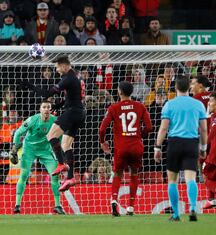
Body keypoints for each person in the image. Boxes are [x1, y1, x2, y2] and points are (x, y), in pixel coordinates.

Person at [20, 55, 86, 192]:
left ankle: (61, 164)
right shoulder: (76, 77)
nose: (56, 70)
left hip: (72, 112)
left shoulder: (67, 78)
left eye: (56, 67)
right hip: (79, 113)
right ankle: (70, 177)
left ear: (63, 65)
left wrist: (29, 85)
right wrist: (59, 105)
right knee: (65, 145)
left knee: (50, 136)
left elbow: (46, 93)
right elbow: (74, 97)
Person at [154, 77, 207, 222]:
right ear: (189, 87)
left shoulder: (169, 105)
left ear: (176, 88)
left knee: (172, 180)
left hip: (175, 143)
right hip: (191, 143)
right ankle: (192, 208)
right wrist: (203, 147)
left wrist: (157, 147)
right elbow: (203, 129)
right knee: (191, 178)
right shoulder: (198, 105)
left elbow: (163, 128)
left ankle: (176, 214)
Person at [99, 81, 152, 216]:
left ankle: (114, 200)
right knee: (134, 173)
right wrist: (140, 136)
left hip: (121, 148)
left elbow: (102, 128)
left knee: (117, 173)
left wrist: (102, 142)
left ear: (119, 92)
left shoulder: (113, 107)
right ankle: (130, 207)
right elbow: (149, 127)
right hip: (136, 146)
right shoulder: (140, 106)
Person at [10, 100, 65, 214]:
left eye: (48, 107)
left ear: (51, 110)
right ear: (40, 110)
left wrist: (61, 152)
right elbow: (18, 133)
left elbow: (60, 137)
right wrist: (14, 148)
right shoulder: (32, 120)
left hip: (46, 151)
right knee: (24, 175)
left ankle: (58, 206)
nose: (46, 109)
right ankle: (17, 205)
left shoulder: (55, 121)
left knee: (55, 176)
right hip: (29, 149)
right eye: (43, 107)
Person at [203, 93, 216, 209]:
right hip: (212, 151)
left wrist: (204, 148)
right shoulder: (213, 116)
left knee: (207, 171)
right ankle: (211, 199)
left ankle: (212, 199)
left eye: (211, 101)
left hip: (214, 154)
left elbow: (211, 137)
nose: (209, 103)